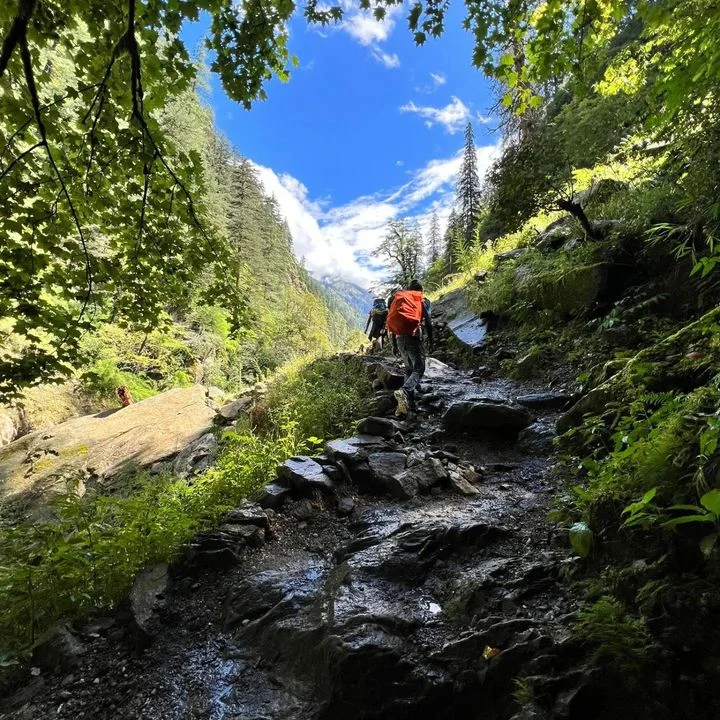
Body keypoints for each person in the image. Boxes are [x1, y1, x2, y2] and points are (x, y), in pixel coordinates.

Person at [386, 279, 433, 417]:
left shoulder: (400, 299)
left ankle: (410, 406)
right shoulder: (421, 300)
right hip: (412, 338)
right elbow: (428, 323)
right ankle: (405, 392)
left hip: (400, 338)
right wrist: (431, 339)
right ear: (420, 290)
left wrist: (394, 345)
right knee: (419, 368)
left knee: (409, 369)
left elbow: (393, 324)